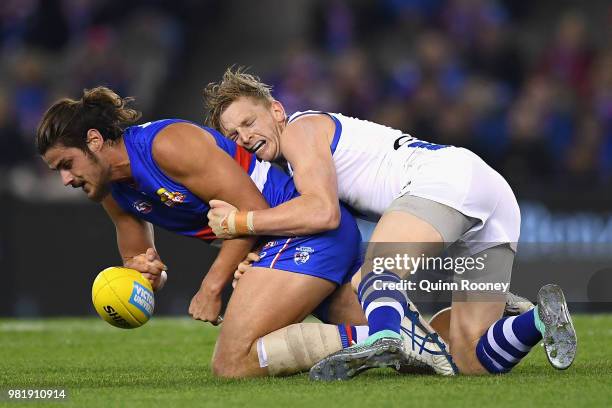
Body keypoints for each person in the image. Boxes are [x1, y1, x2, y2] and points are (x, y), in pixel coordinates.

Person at [35, 86, 455, 378]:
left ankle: (376, 339)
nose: (66, 179)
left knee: (233, 362)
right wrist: (146, 277)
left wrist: (213, 285)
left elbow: (250, 210)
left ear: (94, 140)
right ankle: (430, 336)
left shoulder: (168, 144)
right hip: (280, 243)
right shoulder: (113, 193)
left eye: (66, 164)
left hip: (301, 231)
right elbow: (143, 267)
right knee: (432, 346)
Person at [203, 67, 577, 378]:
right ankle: (540, 321)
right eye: (234, 135)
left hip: (444, 179)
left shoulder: (300, 132)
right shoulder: (294, 157)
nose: (245, 137)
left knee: (373, 274)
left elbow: (322, 213)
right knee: (471, 359)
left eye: (249, 122)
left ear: (277, 111)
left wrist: (239, 222)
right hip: (492, 195)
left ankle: (383, 339)